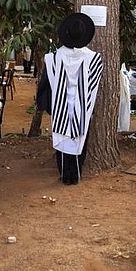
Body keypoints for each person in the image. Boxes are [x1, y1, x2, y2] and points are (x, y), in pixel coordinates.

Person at [37, 13, 103, 185]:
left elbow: (46, 84)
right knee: (80, 137)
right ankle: (75, 174)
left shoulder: (53, 58)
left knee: (62, 136)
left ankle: (64, 174)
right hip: (82, 107)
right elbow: (93, 85)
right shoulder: (94, 59)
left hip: (60, 107)